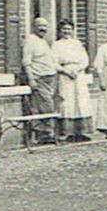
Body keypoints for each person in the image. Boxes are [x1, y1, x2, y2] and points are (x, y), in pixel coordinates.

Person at [52, 21, 94, 142]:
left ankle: (81, 131)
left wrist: (78, 69)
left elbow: (85, 59)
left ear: (73, 30)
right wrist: (64, 70)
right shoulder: (56, 45)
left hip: (78, 74)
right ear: (60, 31)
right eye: (64, 29)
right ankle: (67, 131)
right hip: (65, 75)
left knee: (80, 100)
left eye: (69, 29)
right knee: (67, 100)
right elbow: (53, 62)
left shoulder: (77, 44)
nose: (66, 31)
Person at [21, 17, 59, 145]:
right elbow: (27, 61)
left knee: (46, 105)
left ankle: (46, 133)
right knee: (46, 105)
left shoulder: (43, 41)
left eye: (45, 26)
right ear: (34, 27)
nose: (43, 29)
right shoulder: (31, 41)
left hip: (50, 77)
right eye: (40, 26)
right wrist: (31, 79)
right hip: (39, 77)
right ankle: (46, 133)